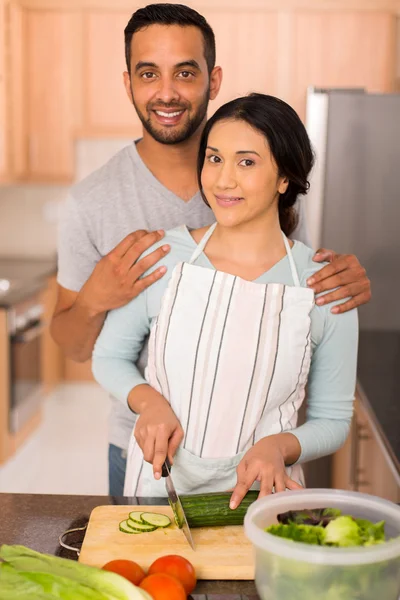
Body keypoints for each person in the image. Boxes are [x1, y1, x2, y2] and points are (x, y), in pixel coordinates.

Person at [51, 4, 370, 496]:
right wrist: (96, 297)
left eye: (185, 71)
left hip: (261, 480)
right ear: (129, 82)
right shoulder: (106, 213)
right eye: (148, 73)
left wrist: (345, 281)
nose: (166, 91)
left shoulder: (296, 256)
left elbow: (297, 311)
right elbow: (84, 351)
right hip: (150, 455)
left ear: (212, 79)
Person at [92, 93, 358, 505]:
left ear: (284, 178)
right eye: (214, 159)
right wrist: (150, 403)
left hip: (261, 499)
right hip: (161, 489)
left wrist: (279, 447)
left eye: (246, 162)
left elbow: (334, 420)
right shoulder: (164, 257)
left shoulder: (324, 285)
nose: (223, 180)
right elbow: (108, 357)